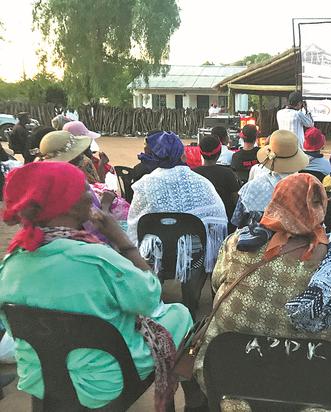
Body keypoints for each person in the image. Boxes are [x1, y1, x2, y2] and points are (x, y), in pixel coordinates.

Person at [0, 162, 193, 410]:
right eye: (83, 188)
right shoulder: (96, 260)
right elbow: (150, 297)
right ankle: (193, 397)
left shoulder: (11, 263)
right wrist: (123, 242)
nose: (91, 193)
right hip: (104, 381)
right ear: (67, 204)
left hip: (38, 378)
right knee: (180, 313)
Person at [191, 173, 331, 411]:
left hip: (234, 387)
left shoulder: (239, 245)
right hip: (324, 394)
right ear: (322, 207)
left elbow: (217, 285)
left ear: (276, 203)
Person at [126, 131, 227, 314]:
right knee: (199, 244)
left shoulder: (144, 184)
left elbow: (134, 223)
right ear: (182, 154)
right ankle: (190, 301)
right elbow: (219, 221)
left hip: (155, 254)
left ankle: (153, 298)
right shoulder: (202, 183)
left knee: (152, 243)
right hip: (191, 255)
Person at [231, 130, 308, 228]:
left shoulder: (251, 187)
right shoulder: (307, 187)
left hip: (257, 240)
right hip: (297, 240)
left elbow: (237, 221)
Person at [194, 135, 241, 222]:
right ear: (219, 153)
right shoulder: (228, 173)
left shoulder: (193, 174)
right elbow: (236, 200)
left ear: (200, 153)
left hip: (199, 222)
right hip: (225, 221)